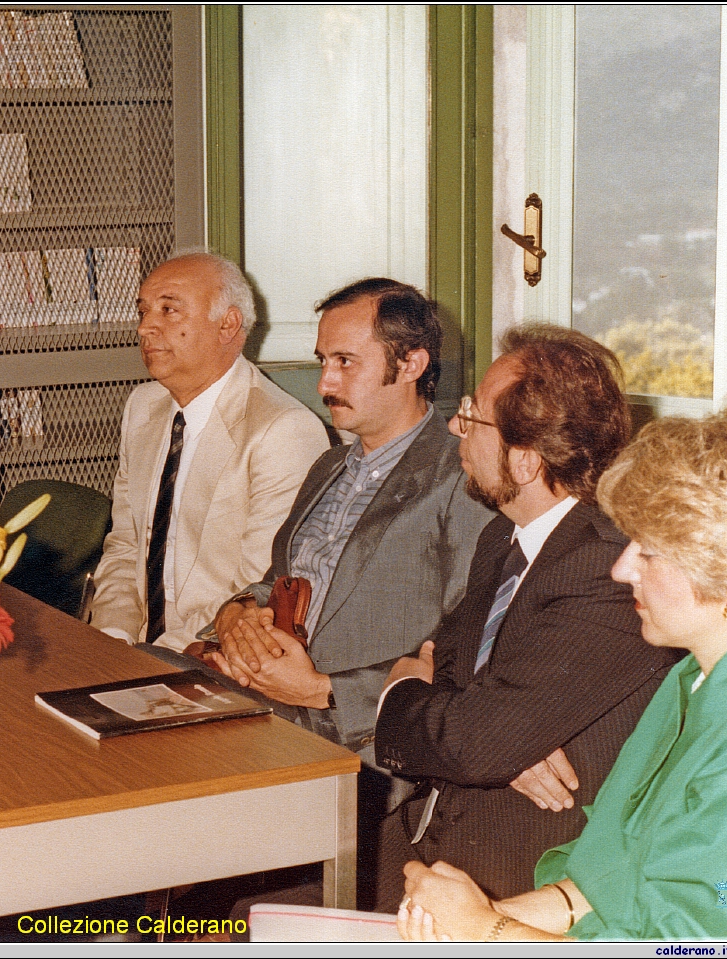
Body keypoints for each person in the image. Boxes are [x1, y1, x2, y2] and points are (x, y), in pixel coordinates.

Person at [398, 394, 727, 941]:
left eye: (649, 553)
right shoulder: (690, 681)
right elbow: (603, 887)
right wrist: (474, 914)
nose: (622, 569)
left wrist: (489, 931)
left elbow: (693, 951)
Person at [372, 325, 681, 907]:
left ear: (524, 461)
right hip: (437, 827)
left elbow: (469, 735)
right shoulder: (505, 537)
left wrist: (404, 692)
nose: (453, 428)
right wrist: (504, 740)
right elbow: (453, 666)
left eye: (472, 417)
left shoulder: (602, 564)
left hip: (520, 864)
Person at [208, 278, 493, 908]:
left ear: (412, 364)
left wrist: (324, 690)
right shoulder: (330, 467)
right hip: (270, 708)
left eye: (345, 363)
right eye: (322, 362)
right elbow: (277, 579)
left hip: (356, 742)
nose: (324, 386)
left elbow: (468, 641)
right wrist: (233, 617)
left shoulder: (459, 474)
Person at [87, 251, 329, 652]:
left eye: (169, 311)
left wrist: (153, 661)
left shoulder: (282, 431)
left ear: (228, 325)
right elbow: (126, 545)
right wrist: (114, 638)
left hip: (211, 655)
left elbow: (255, 595)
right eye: (144, 311)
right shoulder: (143, 407)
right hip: (136, 651)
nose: (146, 328)